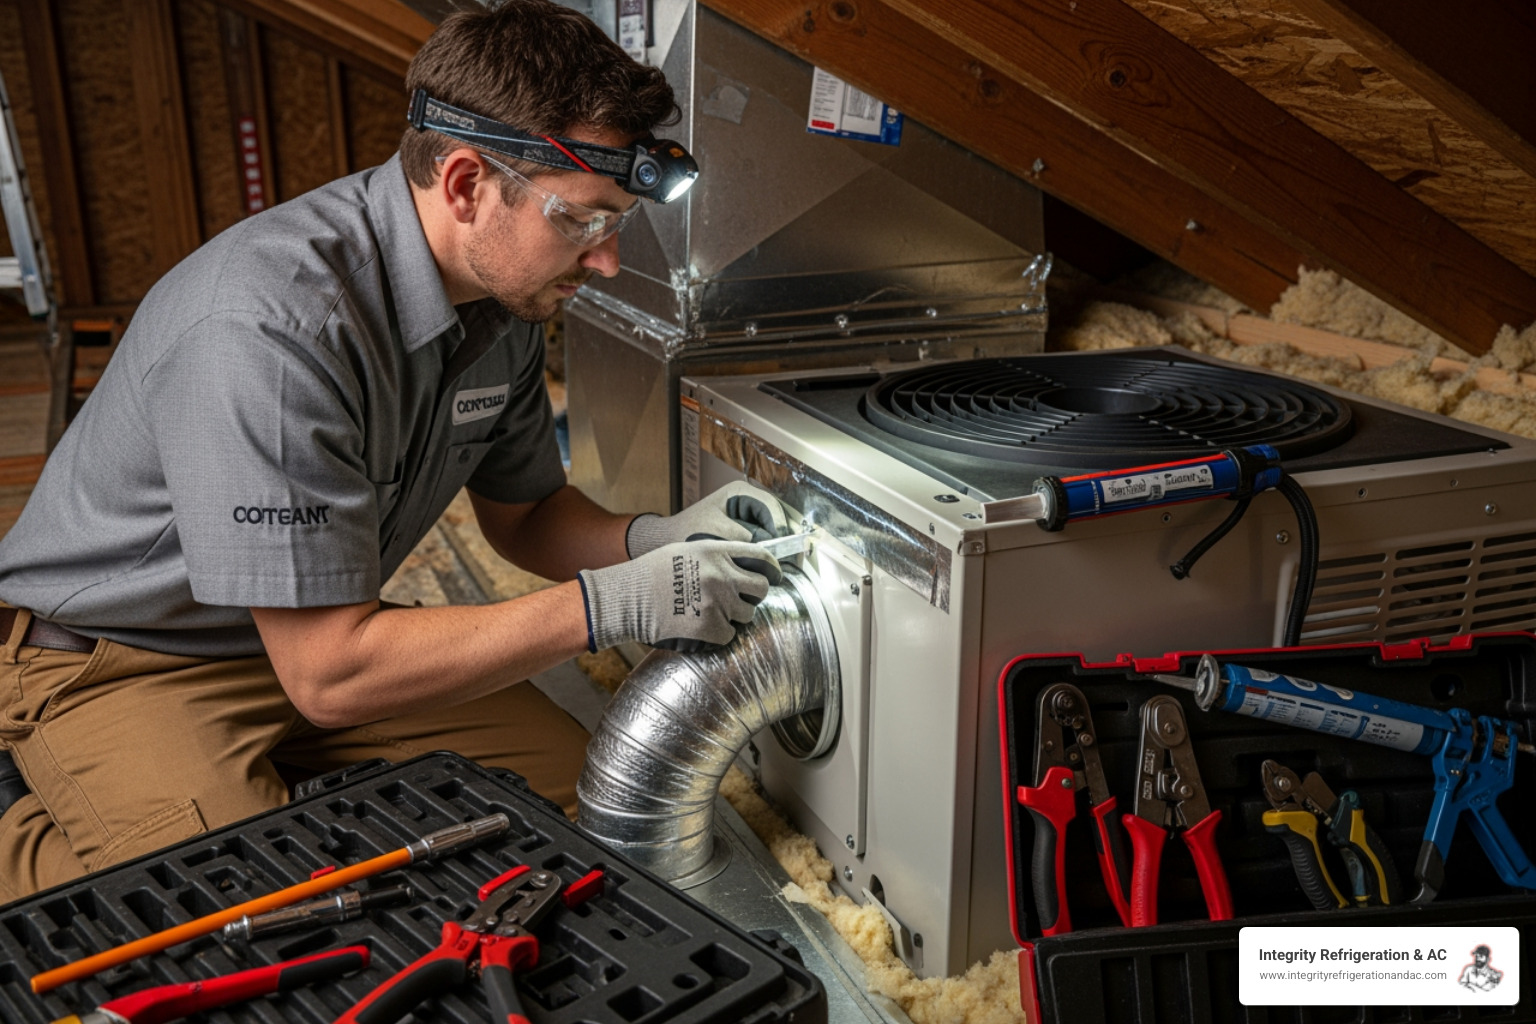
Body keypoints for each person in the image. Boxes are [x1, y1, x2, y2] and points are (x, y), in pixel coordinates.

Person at [0, 0, 784, 902]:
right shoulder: (270, 328)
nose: (604, 261)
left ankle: (253, 799)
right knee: (252, 902)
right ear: (463, 185)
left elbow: (525, 515)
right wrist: (607, 607)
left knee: (586, 789)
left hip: (308, 633)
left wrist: (654, 542)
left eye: (614, 226)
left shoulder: (505, 302)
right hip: (126, 660)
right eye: (581, 222)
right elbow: (331, 673)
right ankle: (51, 833)